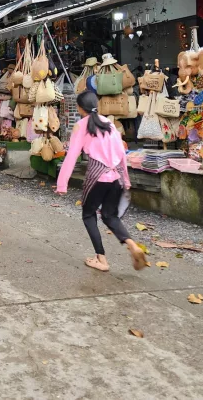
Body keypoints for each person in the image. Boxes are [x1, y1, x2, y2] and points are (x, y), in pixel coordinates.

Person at [56, 91, 148, 273]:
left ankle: (101, 259)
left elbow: (72, 155)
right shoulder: (109, 123)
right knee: (109, 215)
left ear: (80, 108)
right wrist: (126, 180)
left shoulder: (81, 126)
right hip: (117, 176)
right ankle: (132, 245)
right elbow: (122, 153)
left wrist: (62, 183)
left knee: (88, 214)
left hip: (98, 176)